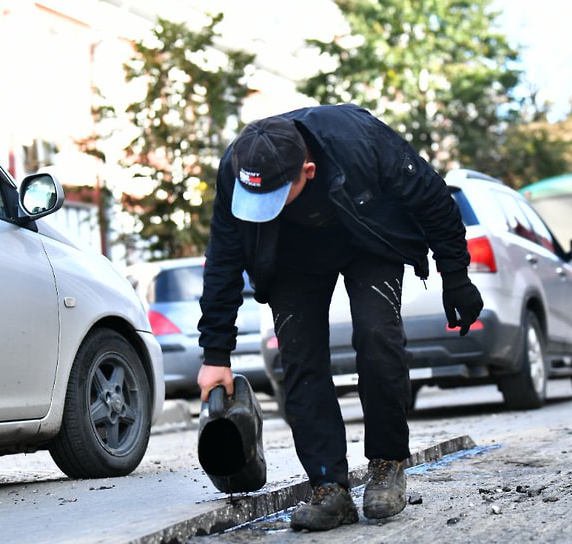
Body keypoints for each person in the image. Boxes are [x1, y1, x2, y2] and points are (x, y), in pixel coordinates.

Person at [196, 104, 483, 532]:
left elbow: (432, 198)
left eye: (273, 196)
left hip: (368, 238)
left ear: (308, 171)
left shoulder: (358, 140)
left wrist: (456, 277)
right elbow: (223, 257)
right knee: (299, 358)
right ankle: (328, 487)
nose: (261, 206)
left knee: (377, 336)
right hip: (292, 257)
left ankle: (387, 464)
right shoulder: (238, 167)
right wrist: (216, 353)